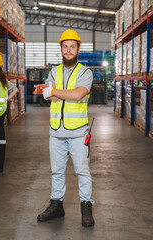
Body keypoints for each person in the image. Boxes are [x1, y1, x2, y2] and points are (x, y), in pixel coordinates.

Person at [37, 29, 95, 227]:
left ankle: (86, 206)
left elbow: (78, 95)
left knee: (82, 171)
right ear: (61, 49)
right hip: (56, 131)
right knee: (57, 171)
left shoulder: (85, 72)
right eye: (65, 46)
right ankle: (56, 205)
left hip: (78, 132)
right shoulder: (54, 71)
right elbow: (47, 96)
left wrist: (54, 91)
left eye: (72, 46)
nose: (68, 50)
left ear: (78, 49)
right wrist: (60, 93)